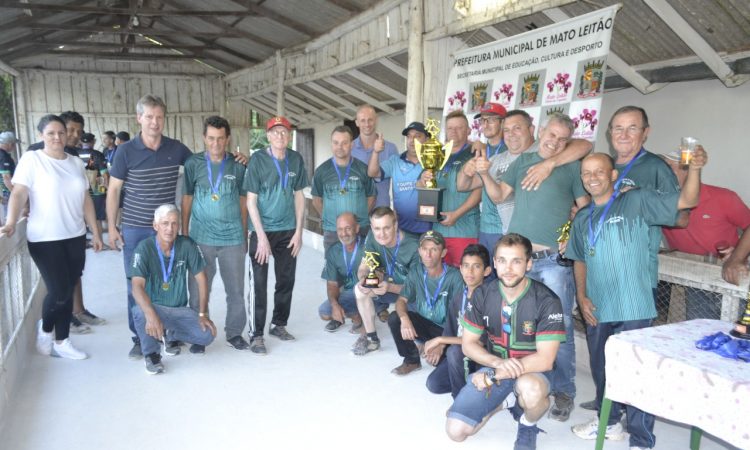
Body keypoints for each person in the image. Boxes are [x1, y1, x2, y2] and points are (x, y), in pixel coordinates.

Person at [568, 151, 705, 449]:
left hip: (634, 305)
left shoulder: (636, 200)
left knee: (637, 372)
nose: (592, 178)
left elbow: (687, 201)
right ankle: (611, 424)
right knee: (602, 368)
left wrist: (694, 168)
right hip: (598, 306)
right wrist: (582, 296)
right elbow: (579, 259)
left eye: (599, 171)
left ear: (613, 175)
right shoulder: (582, 217)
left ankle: (642, 440)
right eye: (587, 173)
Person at [465, 112, 590, 422]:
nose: (555, 142)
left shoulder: (571, 165)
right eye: (552, 134)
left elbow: (585, 207)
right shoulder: (522, 161)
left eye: (563, 139)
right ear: (541, 130)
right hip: (519, 263)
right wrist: (484, 174)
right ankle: (520, 381)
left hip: (551, 261)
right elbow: (497, 196)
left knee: (557, 331)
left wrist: (573, 231)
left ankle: (563, 391)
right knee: (521, 326)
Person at [107, 94, 246, 359]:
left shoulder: (176, 149)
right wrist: (113, 227)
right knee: (135, 283)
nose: (154, 122)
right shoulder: (125, 151)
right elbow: (113, 191)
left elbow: (203, 163)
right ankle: (139, 338)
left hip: (167, 228)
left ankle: (174, 333)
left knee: (171, 281)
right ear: (139, 118)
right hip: (137, 227)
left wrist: (241, 158)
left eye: (159, 117)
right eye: (149, 116)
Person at [445, 233, 566, 450]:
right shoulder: (482, 294)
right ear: (494, 263)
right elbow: (468, 344)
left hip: (531, 372)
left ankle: (528, 424)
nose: (508, 268)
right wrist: (497, 364)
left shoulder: (547, 301)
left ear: (529, 264)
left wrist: (493, 375)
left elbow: (546, 360)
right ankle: (506, 402)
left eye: (516, 261)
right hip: (495, 366)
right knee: (456, 432)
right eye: (502, 261)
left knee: (531, 389)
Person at [0, 114, 103, 360]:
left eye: (61, 133)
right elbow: (18, 193)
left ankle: (63, 341)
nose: (57, 137)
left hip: (75, 236)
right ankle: (46, 330)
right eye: (51, 133)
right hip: (45, 238)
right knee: (58, 290)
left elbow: (85, 199)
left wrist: (96, 232)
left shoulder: (75, 162)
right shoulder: (32, 159)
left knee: (68, 287)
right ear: (40, 136)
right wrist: (11, 222)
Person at [182, 116, 248, 352]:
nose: (216, 144)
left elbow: (243, 202)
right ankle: (199, 335)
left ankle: (234, 333)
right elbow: (187, 198)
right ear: (204, 138)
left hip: (232, 239)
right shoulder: (193, 164)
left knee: (236, 291)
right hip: (201, 238)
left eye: (220, 139)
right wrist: (185, 234)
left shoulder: (238, 165)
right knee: (199, 289)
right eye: (211, 138)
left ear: (227, 139)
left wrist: (243, 235)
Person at [243, 116, 308, 355]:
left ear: (289, 135)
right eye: (276, 132)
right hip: (262, 231)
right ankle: (256, 334)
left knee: (286, 280)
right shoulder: (258, 161)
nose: (281, 136)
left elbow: (299, 196)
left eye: (284, 132)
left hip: (288, 230)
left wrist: (299, 231)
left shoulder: (295, 159)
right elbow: (251, 201)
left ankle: (278, 324)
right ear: (268, 136)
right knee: (258, 284)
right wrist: (260, 236)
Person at [661, 150, 750, 319]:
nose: (661, 175)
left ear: (687, 170)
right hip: (693, 281)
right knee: (698, 335)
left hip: (730, 278)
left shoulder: (724, 197)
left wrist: (737, 257)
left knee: (736, 335)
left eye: (669, 168)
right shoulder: (661, 203)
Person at [131, 204, 217, 374]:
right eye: (165, 223)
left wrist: (202, 314)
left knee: (208, 335)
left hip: (179, 310)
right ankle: (152, 354)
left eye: (174, 223)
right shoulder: (144, 248)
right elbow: (137, 287)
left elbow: (202, 279)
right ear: (155, 225)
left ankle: (170, 334)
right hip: (156, 309)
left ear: (179, 225)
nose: (169, 229)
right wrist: (151, 314)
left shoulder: (187, 245)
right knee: (139, 312)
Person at [388, 230, 464, 375]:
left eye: (434, 249)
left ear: (443, 253)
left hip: (446, 330)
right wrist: (404, 320)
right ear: (419, 251)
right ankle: (412, 360)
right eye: (424, 249)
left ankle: (432, 347)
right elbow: (401, 300)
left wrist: (441, 343)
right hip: (425, 324)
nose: (428, 255)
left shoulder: (455, 277)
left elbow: (458, 318)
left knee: (445, 367)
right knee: (395, 318)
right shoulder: (416, 271)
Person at [352, 206, 420, 356]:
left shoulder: (414, 246)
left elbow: (418, 289)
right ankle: (372, 339)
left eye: (386, 228)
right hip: (386, 286)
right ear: (371, 227)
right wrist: (364, 279)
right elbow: (364, 266)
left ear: (395, 225)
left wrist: (390, 287)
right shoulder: (372, 237)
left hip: (412, 295)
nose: (381, 234)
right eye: (377, 228)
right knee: (359, 289)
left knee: (419, 347)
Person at [425, 244, 491, 398]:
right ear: (460, 268)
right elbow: (450, 329)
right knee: (434, 384)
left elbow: (479, 342)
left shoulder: (489, 298)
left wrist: (440, 340)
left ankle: (460, 400)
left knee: (454, 351)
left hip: (481, 356)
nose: (470, 271)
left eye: (476, 266)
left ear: (486, 271)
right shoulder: (458, 298)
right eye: (466, 266)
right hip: (461, 356)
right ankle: (472, 383)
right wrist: (440, 346)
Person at [423, 110, 481, 267]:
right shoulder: (436, 154)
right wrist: (423, 179)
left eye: (459, 128)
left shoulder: (475, 153)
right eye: (450, 128)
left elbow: (479, 192)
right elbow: (419, 185)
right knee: (442, 280)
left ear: (468, 130)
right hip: (437, 233)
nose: (454, 132)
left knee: (466, 277)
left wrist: (457, 214)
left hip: (464, 230)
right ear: (445, 131)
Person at [312, 125, 375, 251]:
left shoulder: (363, 169)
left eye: (344, 143)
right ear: (331, 144)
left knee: (361, 267)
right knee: (333, 268)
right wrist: (330, 219)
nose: (339, 147)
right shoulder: (321, 171)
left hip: (359, 229)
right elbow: (316, 200)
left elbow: (371, 197)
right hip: (333, 231)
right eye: (336, 143)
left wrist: (358, 219)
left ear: (351, 145)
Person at [367, 121, 431, 238]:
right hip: (402, 229)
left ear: (426, 139)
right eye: (409, 136)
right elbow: (372, 173)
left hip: (429, 230)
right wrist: (376, 152)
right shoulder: (395, 161)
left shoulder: (435, 162)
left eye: (417, 136)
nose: (412, 140)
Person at [318, 212, 365, 333]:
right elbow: (332, 284)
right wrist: (334, 305)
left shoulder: (368, 247)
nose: (344, 234)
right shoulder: (334, 251)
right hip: (349, 294)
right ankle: (354, 315)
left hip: (368, 293)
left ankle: (363, 318)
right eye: (340, 229)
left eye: (348, 228)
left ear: (357, 228)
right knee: (324, 312)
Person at [471, 103, 508, 253]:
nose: (485, 124)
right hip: (485, 226)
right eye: (482, 120)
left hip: (505, 226)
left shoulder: (512, 149)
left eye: (491, 119)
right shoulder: (480, 150)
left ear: (503, 122)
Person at [351, 104, 399, 207]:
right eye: (363, 120)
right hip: (356, 212)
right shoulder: (350, 149)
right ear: (357, 123)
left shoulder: (390, 148)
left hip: (382, 212)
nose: (367, 124)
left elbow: (397, 182)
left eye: (370, 120)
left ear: (376, 120)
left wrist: (396, 209)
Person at [78, 132, 109, 237]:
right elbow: (104, 174)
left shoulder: (75, 154)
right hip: (98, 187)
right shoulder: (97, 154)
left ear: (80, 142)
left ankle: (87, 238)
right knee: (98, 216)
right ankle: (98, 240)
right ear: (93, 142)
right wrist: (107, 188)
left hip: (80, 188)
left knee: (83, 213)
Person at [0, 131, 18, 225]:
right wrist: (15, 193)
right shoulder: (4, 157)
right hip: (5, 192)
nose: (14, 147)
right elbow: (6, 177)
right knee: (9, 217)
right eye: (14, 144)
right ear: (10, 144)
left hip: (3, 192)